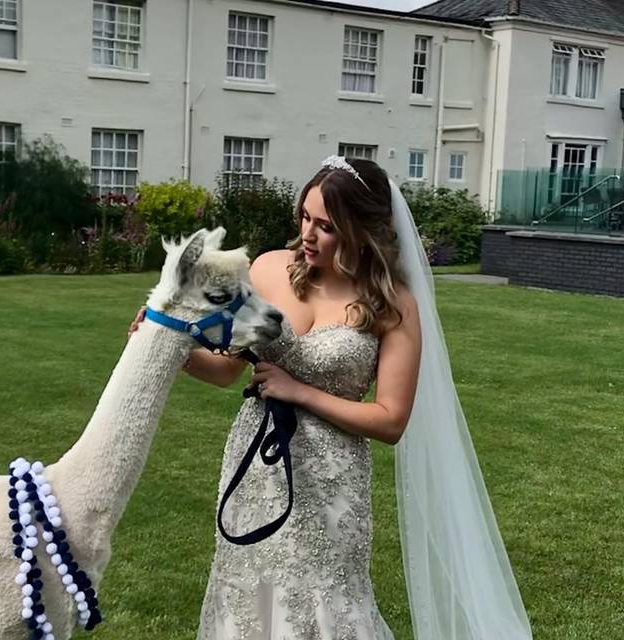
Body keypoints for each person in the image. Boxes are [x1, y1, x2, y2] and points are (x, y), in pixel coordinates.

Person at [129, 157, 533, 639]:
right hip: (257, 465)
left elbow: (391, 420)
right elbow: (225, 369)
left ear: (362, 230)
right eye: (305, 217)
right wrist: (170, 347)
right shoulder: (268, 269)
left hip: (332, 479)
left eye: (327, 226)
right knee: (247, 592)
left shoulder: (392, 303)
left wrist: (298, 391)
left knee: (325, 598)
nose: (308, 234)